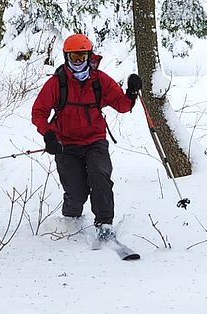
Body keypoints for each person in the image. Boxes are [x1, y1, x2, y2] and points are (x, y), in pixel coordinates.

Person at [31, 33, 142, 240]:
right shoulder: (57, 83)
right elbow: (38, 112)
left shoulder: (99, 80)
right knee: (76, 191)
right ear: (66, 57)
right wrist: (49, 135)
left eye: (83, 57)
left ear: (89, 56)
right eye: (74, 57)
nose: (79, 62)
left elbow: (123, 106)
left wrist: (131, 93)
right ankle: (72, 220)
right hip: (66, 144)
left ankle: (104, 224)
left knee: (100, 177)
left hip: (95, 141)